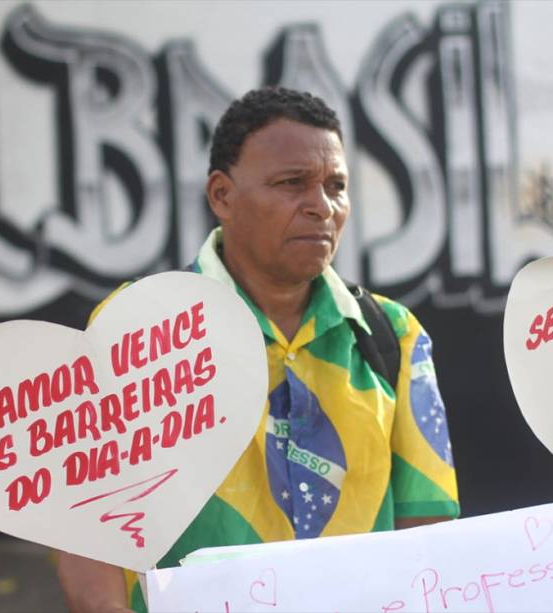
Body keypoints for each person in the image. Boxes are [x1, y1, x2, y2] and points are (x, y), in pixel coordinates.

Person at [57, 86, 460, 613]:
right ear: (222, 195)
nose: (322, 206)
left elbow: (427, 525)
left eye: (336, 186)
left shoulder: (392, 334)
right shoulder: (138, 327)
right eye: (292, 183)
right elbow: (83, 518)